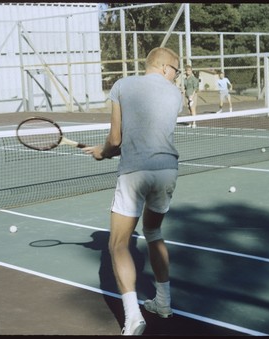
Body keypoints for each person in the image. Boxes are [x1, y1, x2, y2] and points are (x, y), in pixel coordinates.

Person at [83, 47, 182, 336]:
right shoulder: (174, 95)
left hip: (134, 172)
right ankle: (163, 302)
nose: (177, 76)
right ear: (164, 67)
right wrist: (110, 150)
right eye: (176, 69)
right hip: (167, 170)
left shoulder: (122, 86)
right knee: (153, 233)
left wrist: (103, 152)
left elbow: (116, 139)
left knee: (117, 244)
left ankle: (133, 317)